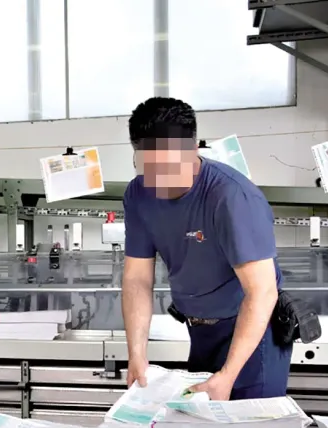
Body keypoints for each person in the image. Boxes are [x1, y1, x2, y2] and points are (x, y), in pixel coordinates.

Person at [121, 97, 290, 401]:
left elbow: (262, 292)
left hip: (252, 333)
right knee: (199, 421)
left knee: (248, 425)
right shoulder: (138, 195)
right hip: (200, 330)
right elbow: (137, 279)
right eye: (150, 167)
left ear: (193, 149)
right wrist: (137, 354)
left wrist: (228, 375)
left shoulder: (231, 197)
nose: (161, 180)